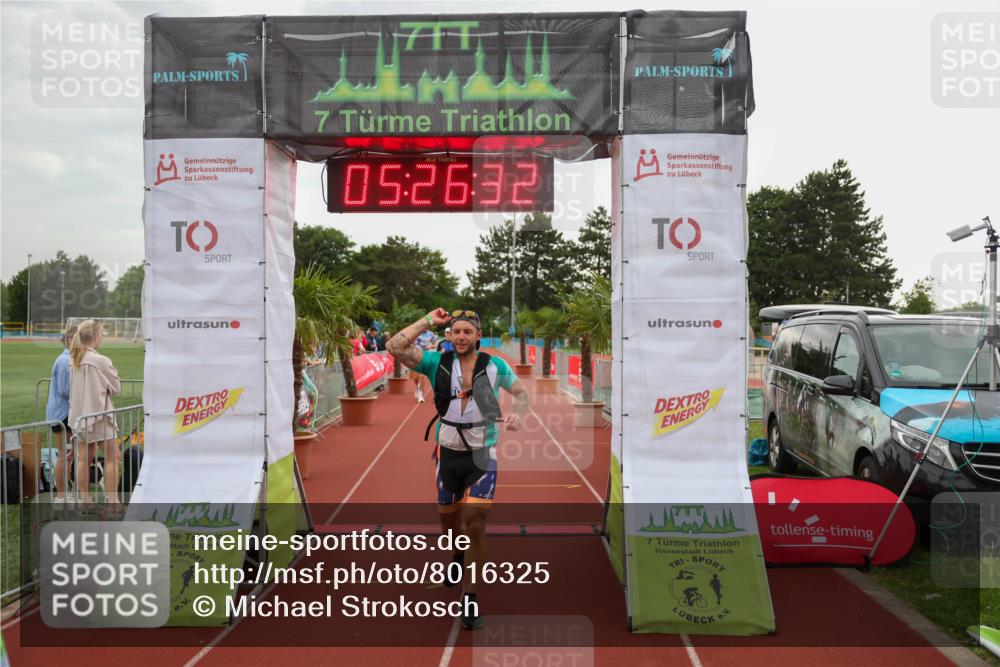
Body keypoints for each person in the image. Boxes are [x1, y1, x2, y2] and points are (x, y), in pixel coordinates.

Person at [386, 308, 529, 630]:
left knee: (475, 523)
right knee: (449, 524)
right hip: (448, 454)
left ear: (478, 335)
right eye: (456, 332)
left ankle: (470, 597)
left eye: (468, 332)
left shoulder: (496, 366)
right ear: (449, 336)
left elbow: (521, 393)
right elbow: (394, 347)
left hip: (483, 455)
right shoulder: (436, 362)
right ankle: (457, 554)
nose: (462, 337)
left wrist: (520, 413)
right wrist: (426, 321)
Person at [68, 320, 122, 504]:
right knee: (113, 457)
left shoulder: (75, 358)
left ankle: (85, 500)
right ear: (96, 336)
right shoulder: (100, 360)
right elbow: (116, 388)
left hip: (80, 416)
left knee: (83, 458)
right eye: (101, 334)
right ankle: (113, 501)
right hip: (99, 415)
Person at [48, 324, 78, 494]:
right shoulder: (65, 361)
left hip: (63, 413)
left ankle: (64, 492)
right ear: (69, 340)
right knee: (65, 455)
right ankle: (61, 495)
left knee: (68, 455)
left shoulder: (68, 359)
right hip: (62, 414)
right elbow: (65, 390)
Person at [411, 327, 437, 402]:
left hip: (426, 356)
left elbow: (435, 344)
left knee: (422, 376)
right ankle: (417, 387)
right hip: (416, 356)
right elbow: (412, 344)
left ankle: (420, 393)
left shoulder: (431, 334)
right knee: (415, 377)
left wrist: (430, 346)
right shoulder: (416, 333)